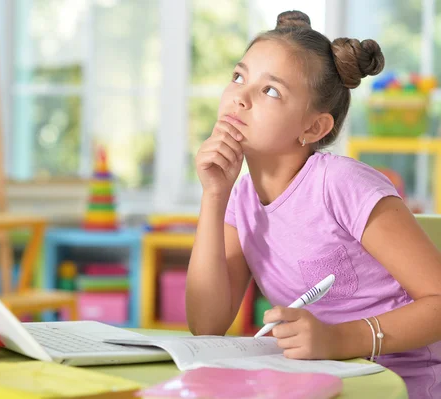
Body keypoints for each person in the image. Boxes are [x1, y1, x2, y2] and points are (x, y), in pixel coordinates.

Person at [186, 10, 441, 398]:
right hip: (329, 380)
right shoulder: (239, 197)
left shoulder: (340, 184)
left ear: (314, 128)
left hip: (411, 382)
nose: (240, 96)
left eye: (270, 91)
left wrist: (338, 340)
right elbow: (206, 324)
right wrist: (213, 195)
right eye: (239, 76)